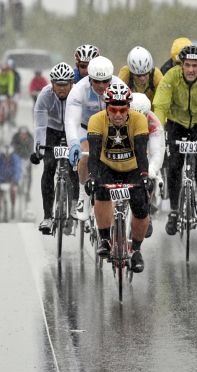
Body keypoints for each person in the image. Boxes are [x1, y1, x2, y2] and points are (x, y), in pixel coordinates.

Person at [152, 45, 197, 235]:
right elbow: (160, 106)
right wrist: (158, 132)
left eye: (195, 65)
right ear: (181, 65)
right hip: (176, 122)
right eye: (187, 65)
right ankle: (175, 210)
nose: (191, 69)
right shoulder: (171, 77)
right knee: (175, 164)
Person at [85, 83, 150, 273]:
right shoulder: (96, 120)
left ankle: (136, 250)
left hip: (133, 168)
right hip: (108, 166)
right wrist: (93, 177)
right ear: (106, 107)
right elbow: (94, 154)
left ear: (129, 108)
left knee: (140, 206)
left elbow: (141, 152)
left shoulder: (138, 120)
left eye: (123, 109)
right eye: (113, 110)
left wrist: (145, 176)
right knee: (101, 191)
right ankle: (104, 239)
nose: (118, 114)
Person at [66, 56, 126, 222]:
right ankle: (83, 199)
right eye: (97, 81)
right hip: (85, 127)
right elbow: (71, 121)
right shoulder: (79, 90)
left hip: (111, 128)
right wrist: (73, 144)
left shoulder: (120, 86)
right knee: (85, 154)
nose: (101, 86)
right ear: (89, 78)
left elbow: (131, 117)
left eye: (105, 81)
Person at [30, 62, 77, 233]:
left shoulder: (78, 94)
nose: (62, 89)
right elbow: (40, 126)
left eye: (65, 85)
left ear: (72, 83)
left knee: (75, 167)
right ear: (52, 83)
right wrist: (39, 150)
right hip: (52, 130)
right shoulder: (45, 95)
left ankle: (75, 205)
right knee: (49, 166)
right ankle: (47, 217)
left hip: (73, 129)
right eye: (58, 84)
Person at [129, 92, 165, 238]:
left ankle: (146, 211)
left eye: (141, 116)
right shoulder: (119, 116)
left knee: (148, 179)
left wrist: (151, 169)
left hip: (146, 152)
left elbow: (157, 152)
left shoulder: (154, 123)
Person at [0, 145, 22, 222]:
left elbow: (18, 169)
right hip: (0, 180)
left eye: (9, 155)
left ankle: (12, 208)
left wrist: (16, 179)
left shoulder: (15, 159)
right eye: (5, 155)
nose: (7, 157)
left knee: (13, 192)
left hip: (11, 180)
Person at [0, 61, 17, 127]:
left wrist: (10, 93)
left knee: (10, 103)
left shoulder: (10, 75)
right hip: (0, 91)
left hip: (7, 91)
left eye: (5, 70)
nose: (4, 72)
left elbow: (11, 84)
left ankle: (10, 116)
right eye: (3, 70)